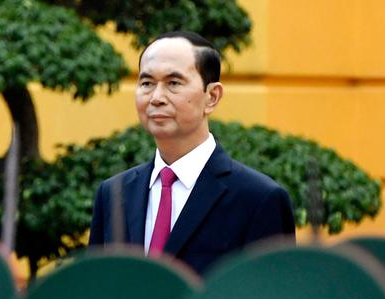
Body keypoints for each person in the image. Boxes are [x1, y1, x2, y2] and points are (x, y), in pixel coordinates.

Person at [89, 31, 294, 275]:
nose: (156, 97)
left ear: (212, 96)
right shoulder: (113, 193)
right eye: (146, 83)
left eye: (173, 83)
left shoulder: (258, 199)